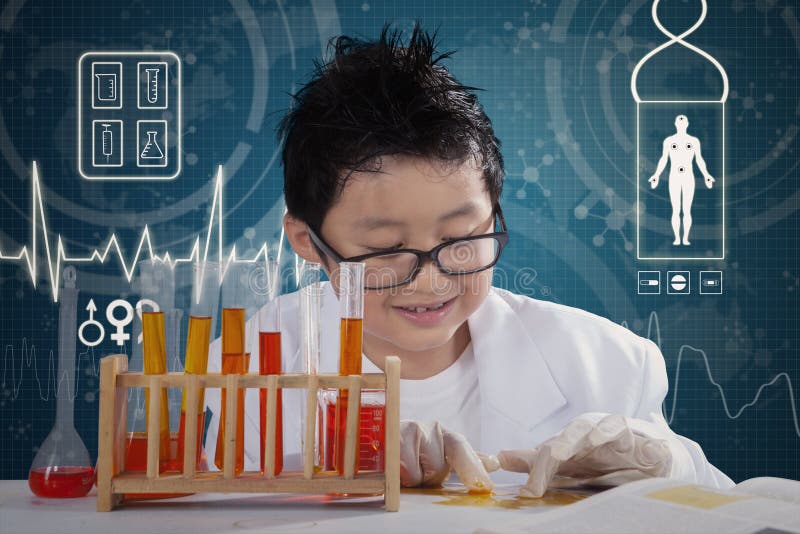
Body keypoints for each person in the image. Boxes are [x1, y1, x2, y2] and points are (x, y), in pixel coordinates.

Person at [204, 22, 734, 496]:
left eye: (460, 237)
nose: (430, 280)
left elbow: (734, 511)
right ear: (306, 241)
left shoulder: (606, 364)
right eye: (387, 249)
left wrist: (672, 463)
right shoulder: (250, 359)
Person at [649, 114, 715, 246]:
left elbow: (699, 159)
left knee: (686, 210)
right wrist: (656, 175)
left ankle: (685, 238)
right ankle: (678, 239)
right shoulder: (669, 141)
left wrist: (707, 175)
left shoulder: (694, 142)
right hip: (675, 178)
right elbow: (663, 159)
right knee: (676, 210)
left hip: (688, 178)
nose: (681, 125)